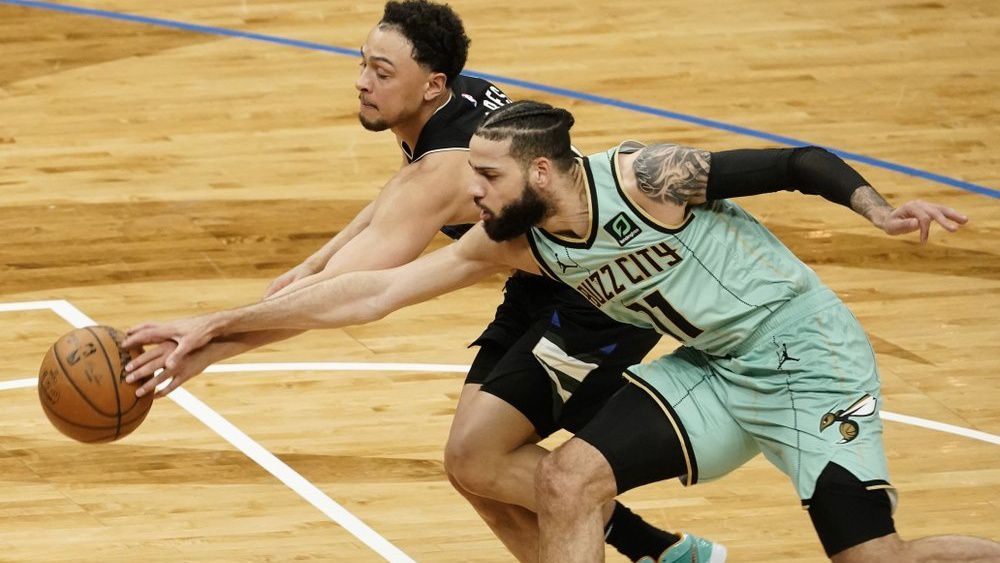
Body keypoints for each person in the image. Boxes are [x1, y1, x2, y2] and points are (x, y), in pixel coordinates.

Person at [123, 100, 995, 562]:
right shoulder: (517, 238)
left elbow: (796, 162)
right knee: (573, 479)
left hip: (811, 361)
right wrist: (213, 327)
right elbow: (372, 292)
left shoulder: (648, 176)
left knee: (876, 560)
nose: (475, 192)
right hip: (718, 370)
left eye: (489, 176)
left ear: (542, 169)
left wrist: (878, 210)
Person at [122, 1, 700, 560]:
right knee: (475, 475)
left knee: (478, 462)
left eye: (382, 71)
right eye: (362, 63)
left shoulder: (446, 167)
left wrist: (210, 338)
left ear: (431, 83)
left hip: (599, 296)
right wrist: (314, 262)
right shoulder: (452, 106)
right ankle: (658, 551)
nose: (362, 82)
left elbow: (346, 297)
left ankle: (648, 545)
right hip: (535, 283)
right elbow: (397, 201)